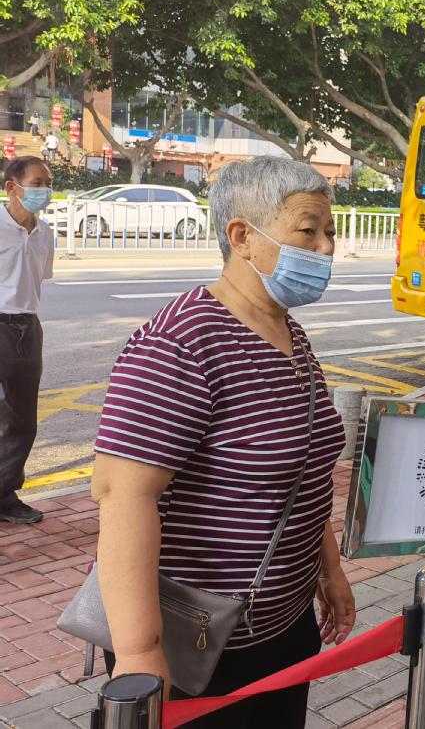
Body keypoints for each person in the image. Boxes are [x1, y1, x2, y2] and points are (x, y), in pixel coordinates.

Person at [91, 156, 356, 727]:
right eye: (308, 230)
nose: (327, 248)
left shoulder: (289, 332)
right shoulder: (181, 344)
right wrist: (138, 654)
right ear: (242, 237)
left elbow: (303, 472)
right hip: (198, 645)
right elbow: (123, 494)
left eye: (330, 232)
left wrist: (328, 570)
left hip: (282, 629)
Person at [0, 157, 54, 525]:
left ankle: (5, 495)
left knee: (22, 420)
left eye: (48, 183)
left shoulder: (45, 233)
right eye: (37, 183)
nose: (45, 191)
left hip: (28, 328)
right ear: (12, 187)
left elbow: (38, 281)